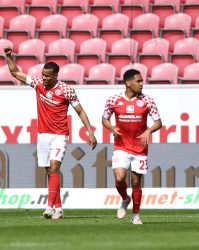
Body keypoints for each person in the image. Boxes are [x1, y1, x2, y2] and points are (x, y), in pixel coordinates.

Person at [4, 47, 97, 219]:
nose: (44, 78)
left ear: (55, 75)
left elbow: (80, 111)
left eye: (47, 75)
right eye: (43, 74)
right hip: (43, 135)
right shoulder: (38, 84)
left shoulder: (67, 90)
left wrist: (90, 132)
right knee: (50, 171)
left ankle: (49, 207)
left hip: (60, 135)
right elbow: (15, 72)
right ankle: (59, 209)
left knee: (54, 168)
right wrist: (9, 56)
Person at [102, 69, 162, 224]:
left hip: (140, 148)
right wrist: (111, 128)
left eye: (142, 81)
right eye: (138, 81)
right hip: (121, 146)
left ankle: (136, 216)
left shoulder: (147, 101)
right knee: (120, 178)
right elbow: (104, 119)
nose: (142, 84)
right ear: (128, 83)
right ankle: (125, 198)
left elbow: (158, 122)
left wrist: (149, 130)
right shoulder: (113, 100)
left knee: (136, 182)